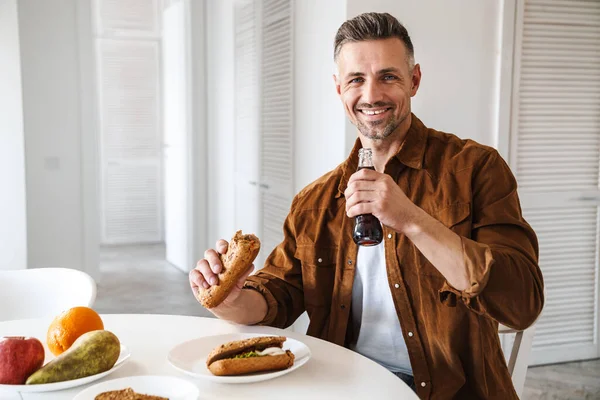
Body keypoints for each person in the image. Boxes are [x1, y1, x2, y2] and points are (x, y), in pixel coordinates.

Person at [189, 12, 544, 399]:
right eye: (356, 79)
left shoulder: (476, 168)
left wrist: (411, 219)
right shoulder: (314, 201)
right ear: (339, 88)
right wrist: (230, 299)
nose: (372, 94)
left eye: (388, 76)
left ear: (415, 80)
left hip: (451, 391)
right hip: (341, 385)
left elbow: (522, 302)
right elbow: (279, 297)